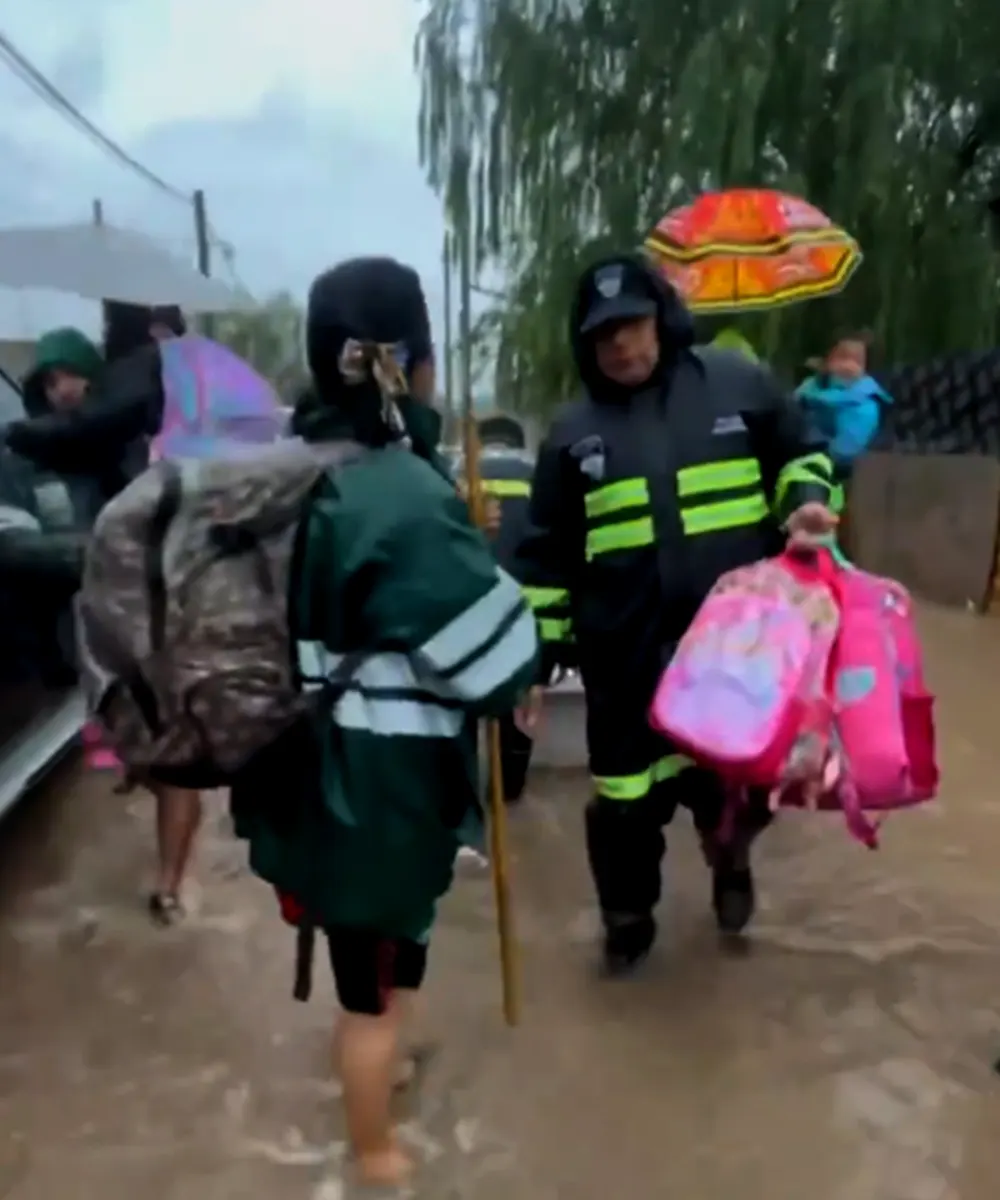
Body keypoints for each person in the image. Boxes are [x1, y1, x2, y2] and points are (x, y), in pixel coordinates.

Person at [234, 256, 538, 1188]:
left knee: (370, 971)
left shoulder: (287, 472)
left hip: (294, 777)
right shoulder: (404, 493)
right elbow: (492, 655)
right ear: (413, 366)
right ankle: (375, 1156)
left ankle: (385, 1067)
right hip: (376, 796)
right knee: (369, 1000)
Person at [514, 253, 837, 975]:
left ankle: (730, 865)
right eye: (604, 336)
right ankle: (627, 923)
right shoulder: (571, 435)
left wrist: (806, 504)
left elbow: (802, 454)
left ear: (661, 318)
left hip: (733, 661)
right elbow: (542, 557)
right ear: (585, 345)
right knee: (625, 806)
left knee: (731, 791)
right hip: (624, 665)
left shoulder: (739, 384)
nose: (622, 345)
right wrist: (536, 660)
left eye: (631, 326)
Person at [3, 303, 202, 925]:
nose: (63, 388)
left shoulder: (143, 449)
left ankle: (170, 884)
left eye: (73, 375)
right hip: (72, 646)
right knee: (128, 755)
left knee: (178, 761)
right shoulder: (25, 460)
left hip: (148, 626)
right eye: (50, 378)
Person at [796, 332, 892, 511]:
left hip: (840, 481)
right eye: (842, 357)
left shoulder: (864, 405)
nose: (848, 366)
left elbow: (845, 453)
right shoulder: (808, 389)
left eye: (857, 360)